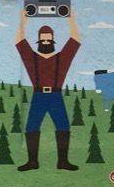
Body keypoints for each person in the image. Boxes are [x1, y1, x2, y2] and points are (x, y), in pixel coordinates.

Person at [15, 9, 81, 171]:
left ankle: (63, 162)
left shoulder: (61, 58)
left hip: (55, 96)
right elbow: (19, 41)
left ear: (53, 40)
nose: (45, 42)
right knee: (31, 126)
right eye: (42, 40)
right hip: (38, 96)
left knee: (63, 126)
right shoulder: (32, 58)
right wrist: (23, 20)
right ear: (38, 40)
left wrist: (70, 18)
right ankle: (32, 162)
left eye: (48, 39)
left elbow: (75, 41)